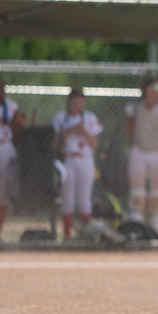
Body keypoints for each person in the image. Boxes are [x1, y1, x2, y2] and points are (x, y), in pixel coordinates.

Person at [52, 87, 104, 241]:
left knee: (84, 199)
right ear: (69, 102)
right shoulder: (61, 118)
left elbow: (94, 144)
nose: (77, 106)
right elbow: (55, 144)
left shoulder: (90, 118)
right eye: (74, 102)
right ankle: (67, 236)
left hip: (85, 160)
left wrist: (84, 131)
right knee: (67, 199)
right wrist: (69, 132)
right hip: (68, 160)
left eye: (80, 102)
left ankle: (84, 235)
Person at [125, 75, 158, 238]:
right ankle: (135, 225)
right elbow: (130, 132)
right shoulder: (135, 108)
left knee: (157, 191)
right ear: (147, 89)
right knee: (137, 190)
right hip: (139, 151)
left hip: (157, 151)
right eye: (156, 88)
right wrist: (138, 145)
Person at [0, 77, 26, 242]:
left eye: (2, 89)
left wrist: (20, 124)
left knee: (3, 193)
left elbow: (18, 134)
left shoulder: (11, 107)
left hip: (5, 148)